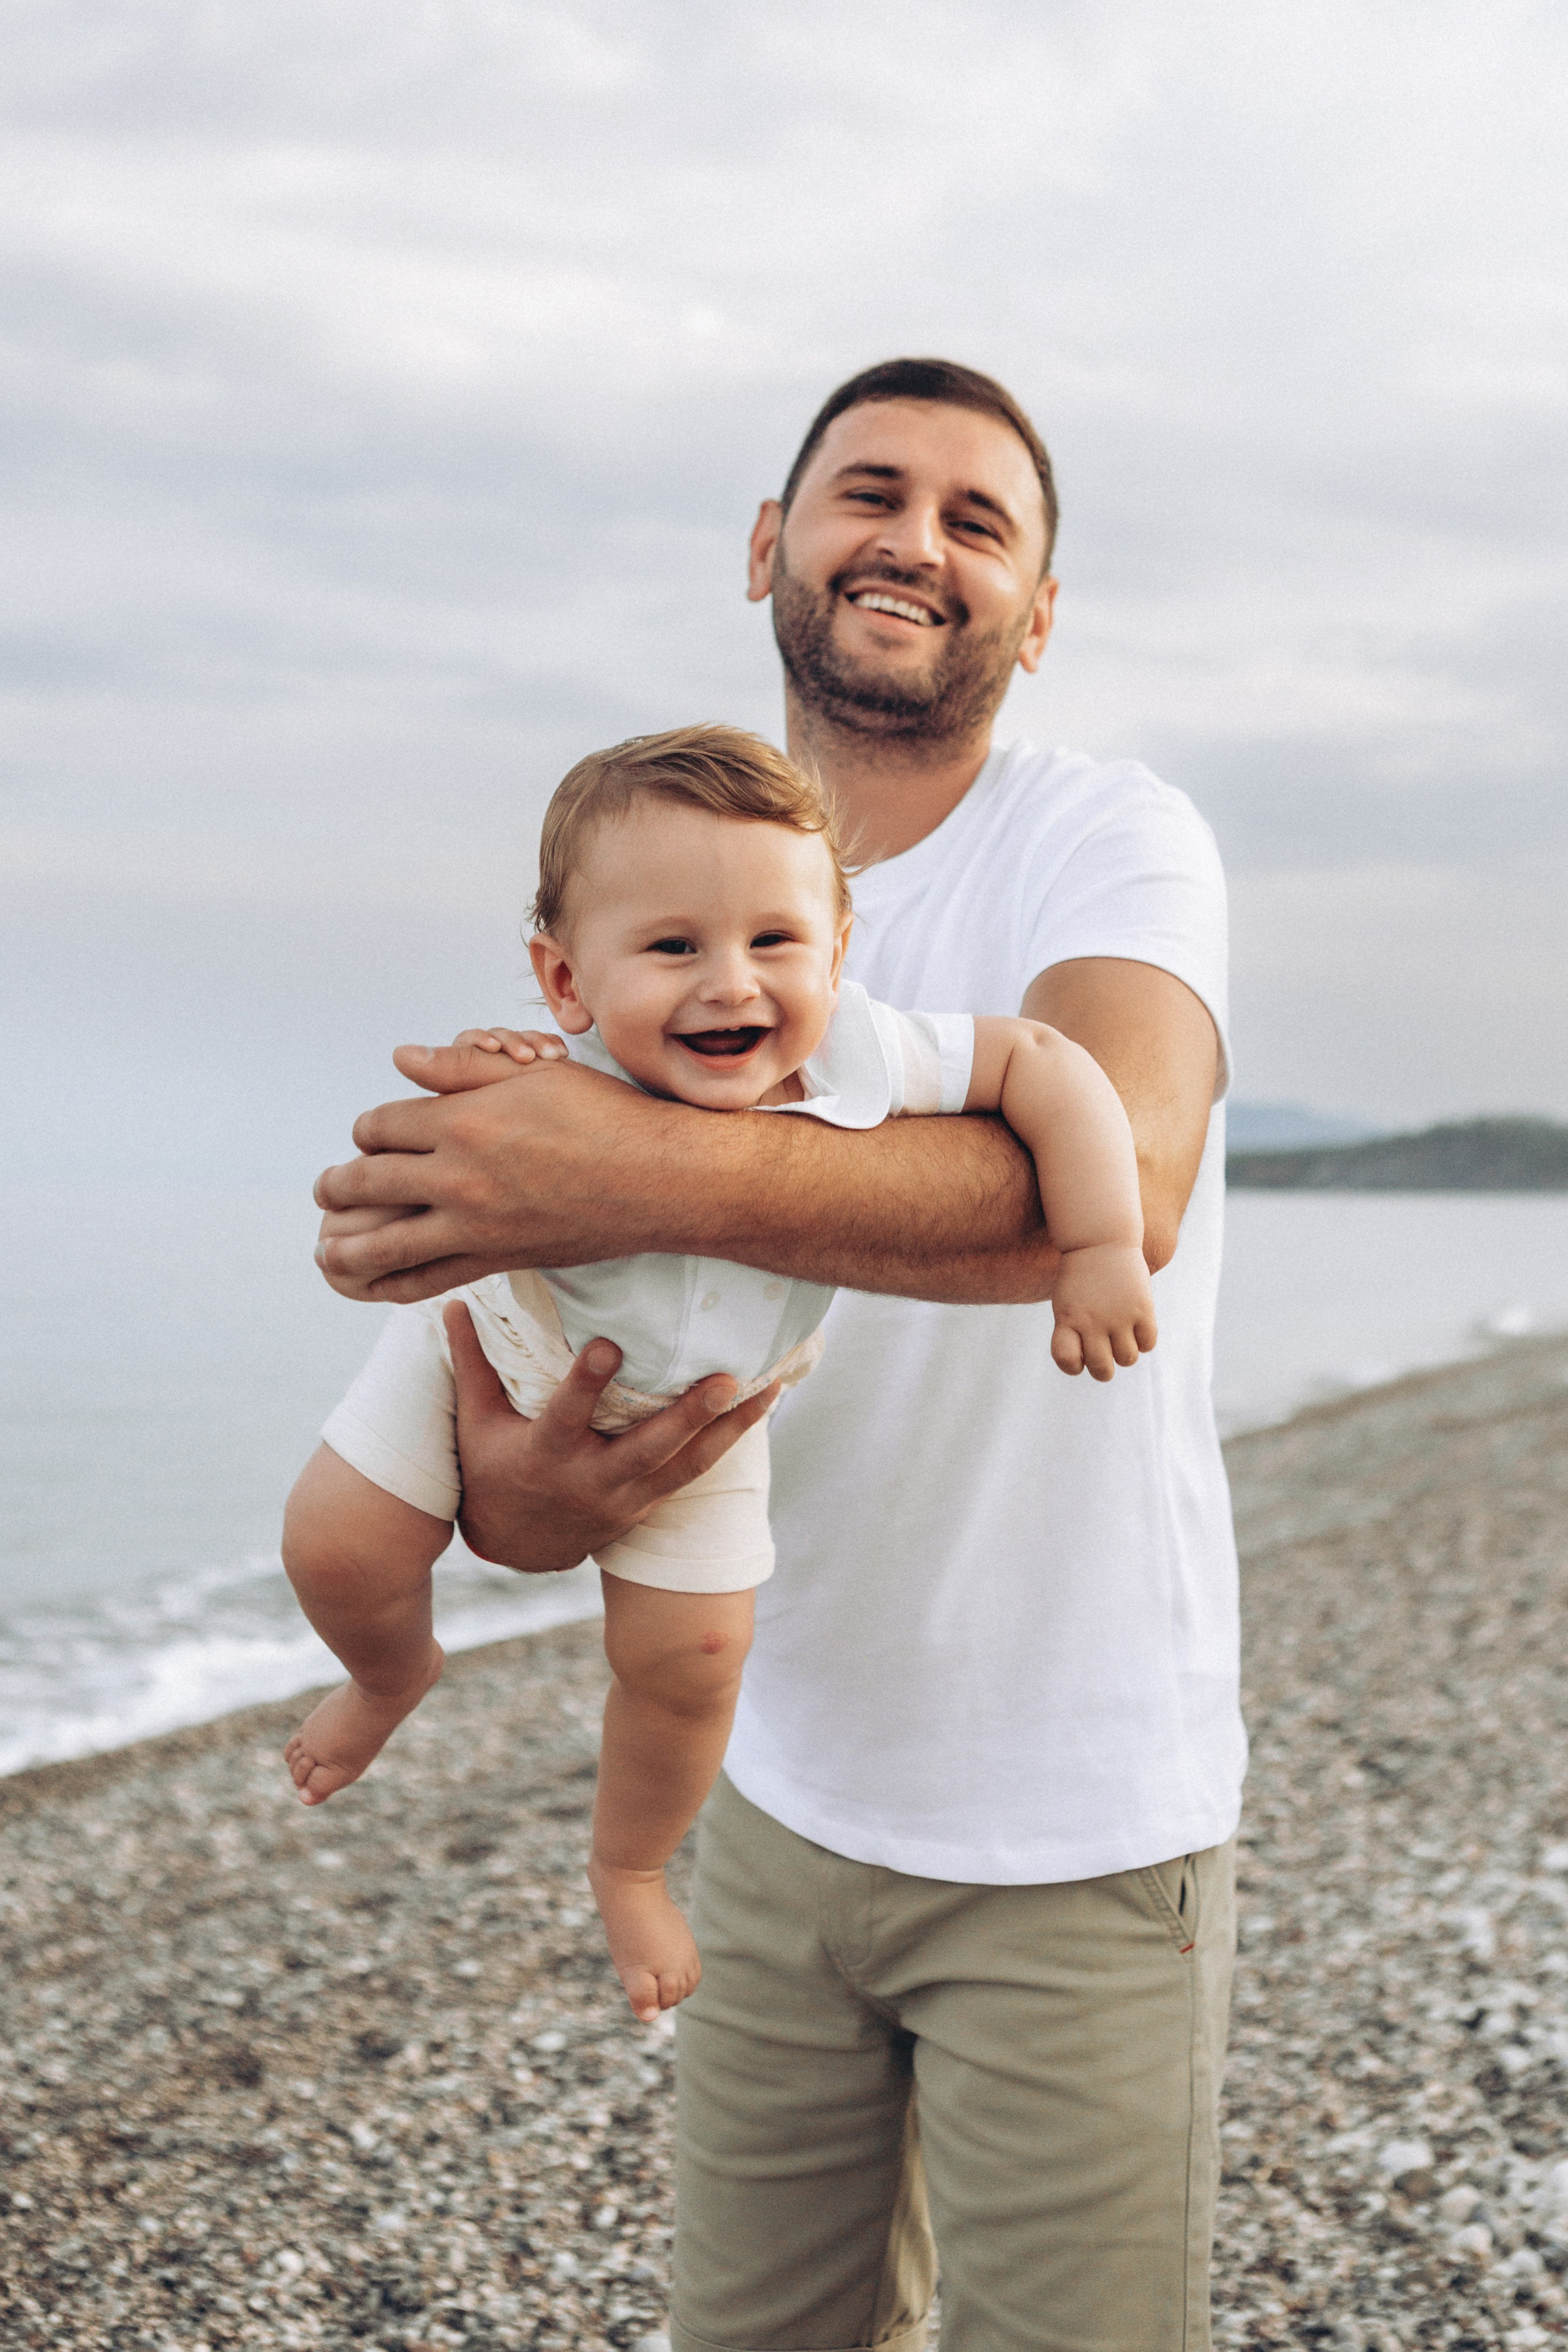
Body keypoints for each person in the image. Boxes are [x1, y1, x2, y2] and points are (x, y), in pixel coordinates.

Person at [312, 358, 1240, 2352]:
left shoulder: (1109, 839)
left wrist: (624, 1161)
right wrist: (531, 1490)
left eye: (981, 521)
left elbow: (1124, 1178)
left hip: (1072, 1822)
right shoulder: (674, 905)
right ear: (769, 547)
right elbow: (573, 1444)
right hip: (772, 1791)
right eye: (870, 492)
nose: (917, 540)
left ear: (1041, 616)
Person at [282, 723, 1156, 2028]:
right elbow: (405, 1203)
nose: (728, 984)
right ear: (565, 980)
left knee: (691, 1660)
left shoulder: (866, 1051)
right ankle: (389, 1672)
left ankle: (629, 1863)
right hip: (498, 1342)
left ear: (839, 951)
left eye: (774, 942)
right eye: (674, 946)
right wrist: (379, 1240)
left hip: (712, 1416)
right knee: (335, 1547)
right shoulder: (549, 1070)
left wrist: (1098, 1242)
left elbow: (1045, 1064)